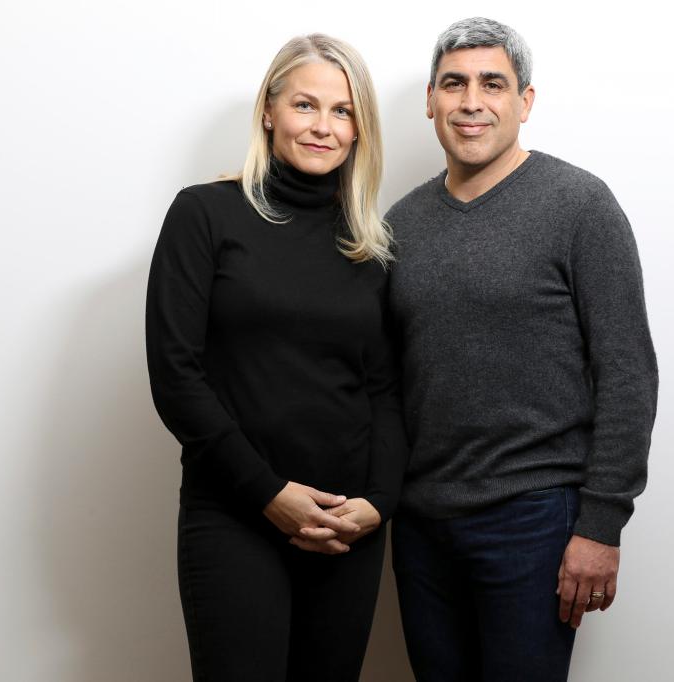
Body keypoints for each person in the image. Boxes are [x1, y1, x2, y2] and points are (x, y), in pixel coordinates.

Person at [385, 17, 659, 681]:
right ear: (430, 100)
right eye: (454, 83)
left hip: (534, 521)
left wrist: (601, 524)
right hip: (421, 525)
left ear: (524, 102)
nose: (471, 101)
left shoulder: (579, 205)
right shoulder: (399, 225)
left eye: (492, 84)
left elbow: (626, 372)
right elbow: (388, 379)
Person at [145, 33, 408, 682]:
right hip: (235, 513)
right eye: (305, 105)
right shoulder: (204, 214)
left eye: (342, 111)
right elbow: (177, 376)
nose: (323, 126)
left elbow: (385, 391)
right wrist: (269, 494)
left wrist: (378, 502)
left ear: (359, 130)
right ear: (269, 110)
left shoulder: (369, 247)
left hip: (349, 527)